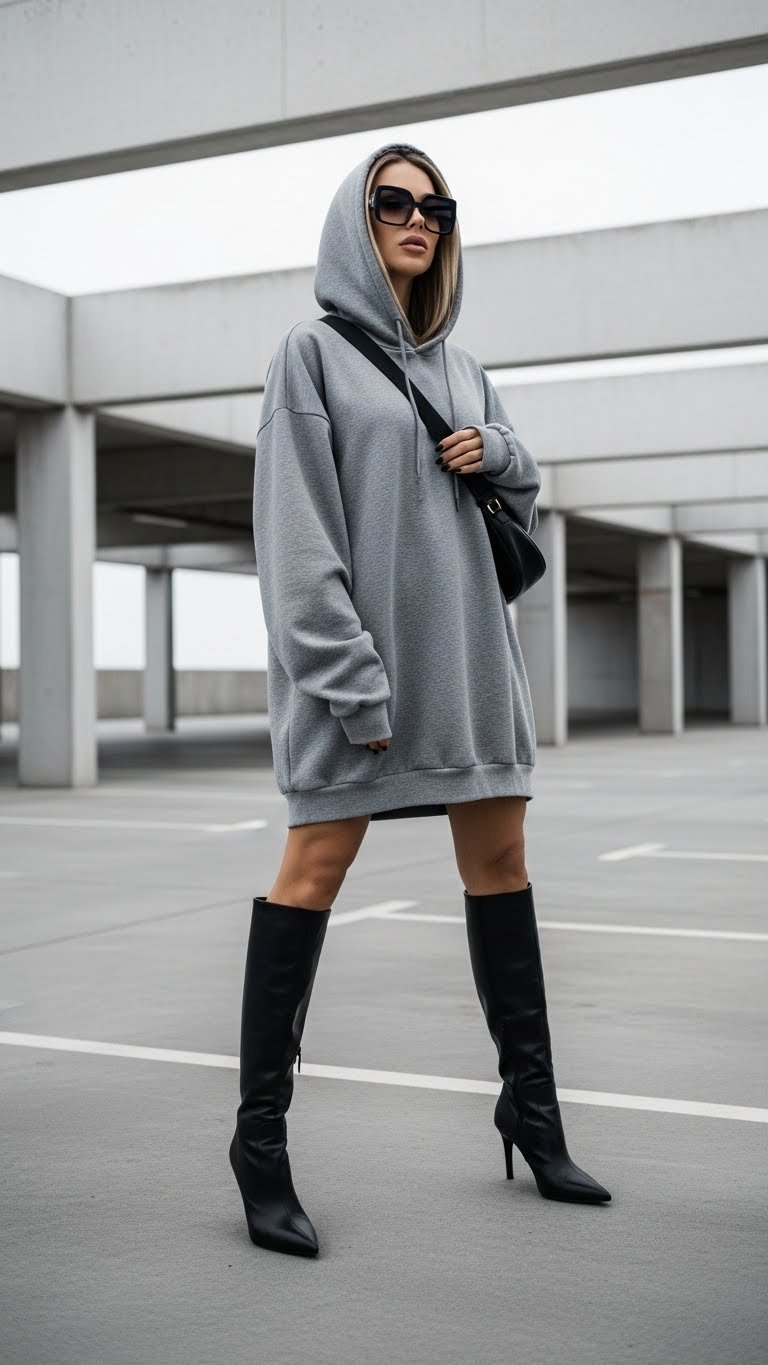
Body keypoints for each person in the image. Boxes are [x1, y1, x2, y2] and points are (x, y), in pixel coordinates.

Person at [229, 140, 611, 1258]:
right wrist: (350, 681)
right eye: (393, 202)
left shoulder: (464, 367)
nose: (417, 219)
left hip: (472, 676)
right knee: (311, 875)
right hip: (366, 682)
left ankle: (531, 1116)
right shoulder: (307, 357)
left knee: (502, 872)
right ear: (357, 221)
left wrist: (496, 448)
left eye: (435, 206)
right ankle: (260, 1146)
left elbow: (521, 496)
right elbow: (295, 548)